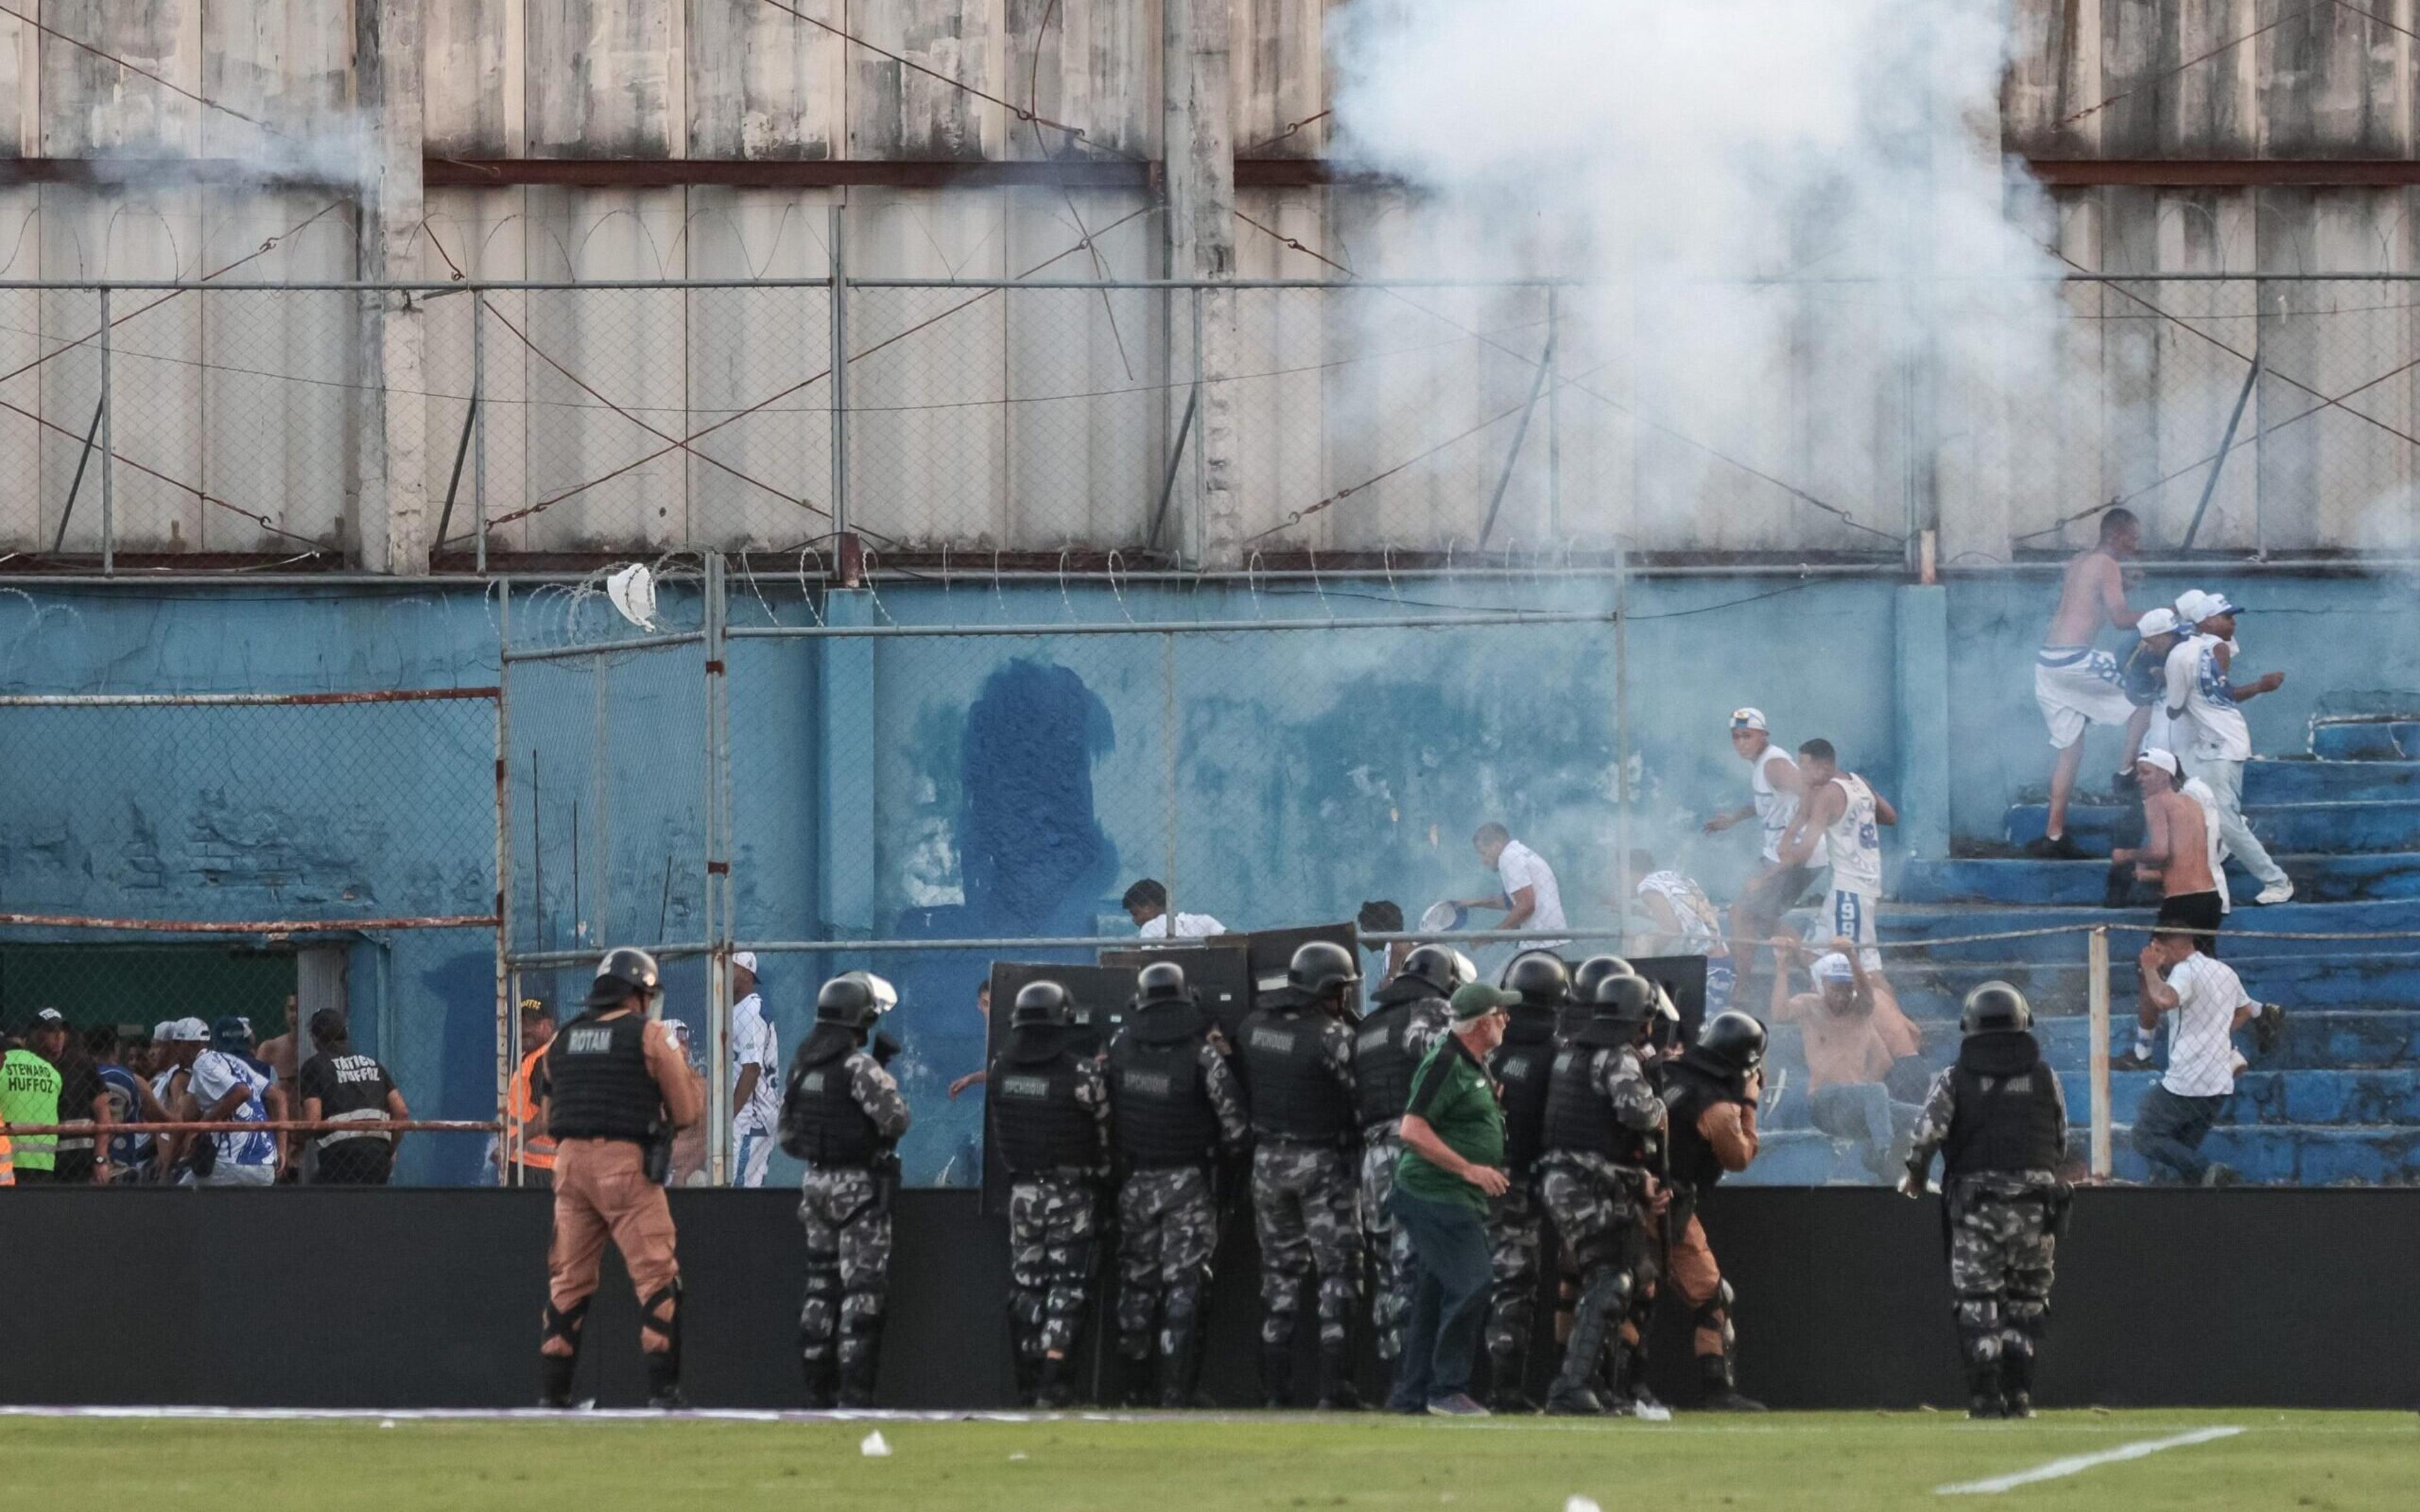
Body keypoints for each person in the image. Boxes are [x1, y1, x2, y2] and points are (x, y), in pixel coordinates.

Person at [540, 947, 705, 1409]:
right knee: (657, 1276)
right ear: (637, 994)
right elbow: (688, 1112)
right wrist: (686, 1072)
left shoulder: (564, 1039)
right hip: (626, 1165)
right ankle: (663, 1395)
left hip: (568, 1166)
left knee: (568, 1280)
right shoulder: (650, 1036)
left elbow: (552, 1113)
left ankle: (553, 1397)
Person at [1900, 982, 2070, 1419]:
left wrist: (1916, 1178)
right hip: (2037, 1207)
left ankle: (1985, 1400)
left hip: (1977, 1206)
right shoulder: (2045, 1077)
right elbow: (2060, 1140)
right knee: (2027, 1303)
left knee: (1979, 1301)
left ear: (1969, 1027)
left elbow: (1925, 1138)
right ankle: (2020, 1399)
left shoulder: (1956, 1078)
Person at [1105, 961, 1248, 1407]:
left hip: (1134, 1182)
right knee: (1184, 1286)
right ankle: (1174, 1393)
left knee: (1137, 1284)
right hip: (1187, 1182)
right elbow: (1237, 1129)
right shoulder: (1200, 1055)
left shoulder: (1118, 1046)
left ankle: (1132, 1391)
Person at [1240, 939, 1364, 1409]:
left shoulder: (1253, 1026)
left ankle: (1275, 1393)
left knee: (1279, 1276)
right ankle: (1336, 1391)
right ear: (1329, 989)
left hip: (1268, 1163)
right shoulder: (1332, 1036)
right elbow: (1360, 1097)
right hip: (1322, 1164)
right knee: (1339, 1274)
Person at [778, 971, 912, 1408]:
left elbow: (787, 1135)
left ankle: (817, 1388)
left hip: (815, 1182)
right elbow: (896, 1121)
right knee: (862, 1291)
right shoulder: (858, 1067)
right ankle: (855, 1394)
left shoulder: (804, 1066)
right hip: (858, 1187)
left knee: (820, 1284)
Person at [1387, 980, 1520, 1418]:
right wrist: (1470, 1169)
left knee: (1433, 1292)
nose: (1507, 1020)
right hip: (1436, 1193)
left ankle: (1413, 1393)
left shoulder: (1472, 1064)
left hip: (1451, 1195)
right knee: (1472, 1282)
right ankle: (1447, 1389)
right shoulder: (1445, 1061)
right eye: (1501, 1014)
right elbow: (1412, 1129)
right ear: (1482, 1023)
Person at [1537, 974, 1668, 1415]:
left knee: (1608, 1277)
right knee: (1611, 1278)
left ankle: (1594, 1385)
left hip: (1567, 1178)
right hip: (1586, 1183)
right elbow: (1637, 1113)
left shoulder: (1571, 1052)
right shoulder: (1616, 1059)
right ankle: (1572, 1385)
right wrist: (1660, 1107)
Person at [988, 979, 1112, 1407]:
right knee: (1067, 1287)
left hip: (1022, 1192)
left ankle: (1027, 1385)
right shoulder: (1081, 1074)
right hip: (1069, 1194)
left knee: (1027, 1286)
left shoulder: (1001, 1069)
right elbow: (1105, 1131)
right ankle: (1053, 1386)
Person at [1353, 945, 1471, 1370]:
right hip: (1415, 1154)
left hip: (1374, 1158)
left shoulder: (1368, 1025)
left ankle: (1394, 1375)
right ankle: (1416, 1378)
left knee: (1388, 1270)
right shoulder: (1433, 1009)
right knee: (1417, 1267)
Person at [1659, 1011, 1770, 1411]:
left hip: (1629, 1194)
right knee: (1712, 1296)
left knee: (1625, 1290)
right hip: (1670, 1205)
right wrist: (1750, 1102)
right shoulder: (1719, 1107)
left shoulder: (1667, 1073)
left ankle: (1611, 1387)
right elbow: (1739, 1156)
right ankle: (1717, 1392)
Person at [2166, 590, 2293, 904]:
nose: (2233, 623)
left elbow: (2179, 706)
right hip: (2212, 744)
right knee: (2201, 810)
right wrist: (2262, 686)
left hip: (2221, 745)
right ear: (2206, 620)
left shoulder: (2207, 648)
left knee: (2224, 819)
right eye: (2227, 617)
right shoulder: (2205, 649)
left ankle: (2277, 882)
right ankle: (2225, 844)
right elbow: (2221, 695)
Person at [2032, 507, 2146, 856]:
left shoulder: (2081, 560)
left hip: (2047, 665)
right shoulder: (2108, 565)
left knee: (2071, 748)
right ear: (2116, 535)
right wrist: (2166, 614)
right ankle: (2126, 771)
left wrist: (2124, 582)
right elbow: (2121, 619)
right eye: (2133, 538)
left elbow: (2086, 597)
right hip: (2074, 660)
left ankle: (2054, 836)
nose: (2137, 544)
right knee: (2145, 699)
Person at [1483, 951, 1566, 1411]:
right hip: (1521, 1182)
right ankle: (1506, 1390)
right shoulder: (1557, 1053)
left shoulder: (1490, 1045)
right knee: (1514, 1285)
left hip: (1475, 1177)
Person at [1769, 944, 1918, 1181]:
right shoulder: (1810, 1006)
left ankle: (1885, 1160)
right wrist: (1782, 968)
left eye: (1847, 989)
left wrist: (1851, 957)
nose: (1842, 996)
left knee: (1920, 1114)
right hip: (1824, 1102)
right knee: (1876, 1091)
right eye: (1835, 989)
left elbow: (1884, 1060)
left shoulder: (1861, 1015)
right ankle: (1884, 1155)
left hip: (1855, 1105)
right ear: (1823, 985)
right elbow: (1778, 1014)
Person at [2129, 929, 2263, 1186]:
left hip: (2188, 1081)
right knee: (2182, 1154)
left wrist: (2149, 969)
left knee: (2143, 1136)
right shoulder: (2224, 971)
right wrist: (2217, 1033)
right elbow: (2246, 1011)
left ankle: (2213, 1172)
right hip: (2220, 1083)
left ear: (2161, 946)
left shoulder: (2184, 971)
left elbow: (2164, 999)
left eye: (2155, 948)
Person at [1703, 709, 1811, 972]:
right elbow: (1768, 801)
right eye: (1736, 737)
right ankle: (1817, 970)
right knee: (1761, 918)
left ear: (1763, 735)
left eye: (1747, 736)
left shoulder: (1775, 764)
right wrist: (1733, 818)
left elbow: (1809, 794)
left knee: (1741, 913)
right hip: (1781, 853)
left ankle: (1741, 991)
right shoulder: (1764, 765)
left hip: (1793, 854)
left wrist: (1792, 838)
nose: (1741, 743)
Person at [2112, 749, 2225, 959]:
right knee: (2204, 970)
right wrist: (2151, 875)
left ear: (2165, 775)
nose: (2139, 779)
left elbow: (2160, 852)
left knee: (2152, 964)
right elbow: (2186, 859)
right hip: (2210, 898)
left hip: (2183, 904)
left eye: (2146, 773)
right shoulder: (2192, 804)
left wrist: (2126, 855)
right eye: (2138, 774)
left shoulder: (2157, 802)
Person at [297, 1010, 412, 1185]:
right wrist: (390, 1149)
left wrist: (293, 1138)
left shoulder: (314, 1066)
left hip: (340, 1155)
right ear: (346, 1033)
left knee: (315, 1203)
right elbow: (401, 1112)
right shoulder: (373, 1064)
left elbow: (312, 1120)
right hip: (377, 1155)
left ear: (314, 1038)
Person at [1630, 851, 1735, 1019]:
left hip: (1707, 970)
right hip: (1722, 962)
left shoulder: (1647, 887)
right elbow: (1684, 915)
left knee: (1702, 1029)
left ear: (1629, 872)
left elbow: (1672, 928)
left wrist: (1645, 957)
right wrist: (1637, 910)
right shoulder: (1673, 877)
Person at [187, 1016, 282, 1187]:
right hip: (266, 1163)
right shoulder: (246, 1065)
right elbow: (279, 1097)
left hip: (233, 1161)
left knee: (178, 1195)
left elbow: (241, 1092)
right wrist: (282, 1150)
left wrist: (204, 1124)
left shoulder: (206, 1062)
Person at [1456, 825, 1567, 948]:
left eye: (1484, 853)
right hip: (1550, 938)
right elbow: (1514, 901)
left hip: (1540, 943)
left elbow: (1526, 905)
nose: (1483, 861)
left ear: (1496, 846)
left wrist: (1489, 936)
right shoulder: (1520, 853)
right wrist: (1476, 903)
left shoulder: (1508, 858)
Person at [31, 1009, 108, 1186]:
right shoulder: (29, 1068)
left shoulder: (81, 1065)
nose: (58, 1037)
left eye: (61, 1031)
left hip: (81, 1163)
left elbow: (103, 1113)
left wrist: (100, 1160)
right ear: (36, 1035)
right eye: (51, 1031)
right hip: (42, 1164)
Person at [729, 952, 781, 1188]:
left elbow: (751, 1071)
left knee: (740, 1193)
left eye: (731, 968)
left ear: (746, 973)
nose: (723, 974)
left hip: (753, 1119)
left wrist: (726, 1117)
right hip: (744, 1117)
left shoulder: (751, 1011)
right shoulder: (737, 1009)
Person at [91, 1026, 168, 1184]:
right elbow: (162, 1119)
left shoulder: (79, 1074)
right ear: (117, 1049)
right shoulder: (129, 1078)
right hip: (120, 1164)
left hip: (87, 1163)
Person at [0, 1018, 64, 1184]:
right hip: (44, 1160)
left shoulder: (2, 1066)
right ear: (26, 1041)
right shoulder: (51, 1072)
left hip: (7, 1158)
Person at [503, 1001, 558, 1188]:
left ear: (548, 1026)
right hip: (528, 1162)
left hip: (539, 1167)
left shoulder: (545, 1059)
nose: (524, 1029)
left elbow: (547, 1115)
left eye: (532, 1023)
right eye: (521, 1023)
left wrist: (513, 1142)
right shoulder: (531, 1056)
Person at [1122, 878, 1226, 939]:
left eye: (1135, 914)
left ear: (1148, 907)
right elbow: (1234, 938)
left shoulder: (1151, 927)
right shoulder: (1203, 921)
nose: (1134, 920)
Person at [947, 978, 993, 1101]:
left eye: (992, 1003)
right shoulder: (992, 1032)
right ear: (979, 1005)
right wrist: (970, 1080)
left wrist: (970, 1079)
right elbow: (998, 1072)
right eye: (985, 1004)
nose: (989, 1010)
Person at [1358, 900, 1412, 999]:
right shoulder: (1391, 949)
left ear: (1375, 930)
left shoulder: (1399, 948)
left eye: (1364, 931)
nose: (1362, 939)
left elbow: (1391, 986)